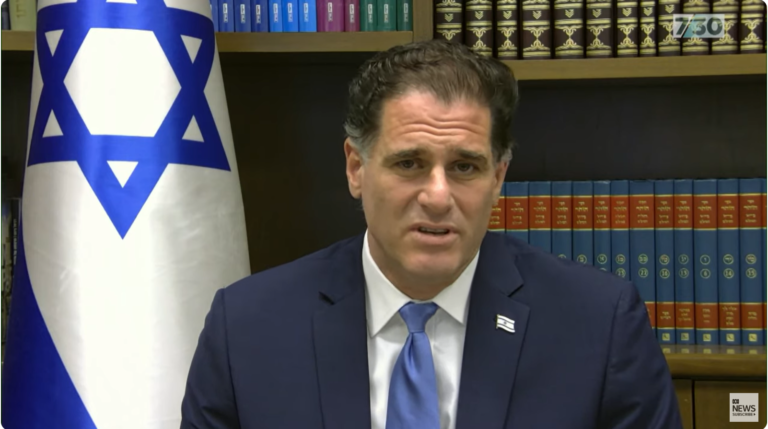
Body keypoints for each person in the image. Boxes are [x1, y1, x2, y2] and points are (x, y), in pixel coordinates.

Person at [180, 39, 682, 429]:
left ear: (498, 177)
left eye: (465, 167)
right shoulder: (246, 328)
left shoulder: (599, 326)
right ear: (356, 168)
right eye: (409, 163)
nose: (438, 196)